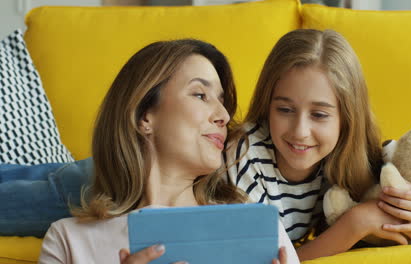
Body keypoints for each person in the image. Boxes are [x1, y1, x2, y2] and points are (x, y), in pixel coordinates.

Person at [35, 39, 298, 263]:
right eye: (200, 95)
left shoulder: (259, 230)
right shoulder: (68, 241)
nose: (224, 115)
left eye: (221, 101)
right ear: (144, 115)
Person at [225, 29, 411, 261]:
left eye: (319, 114)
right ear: (268, 105)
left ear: (347, 118)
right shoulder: (245, 153)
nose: (300, 131)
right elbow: (269, 260)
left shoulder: (345, 153)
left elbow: (399, 223)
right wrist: (355, 223)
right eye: (285, 110)